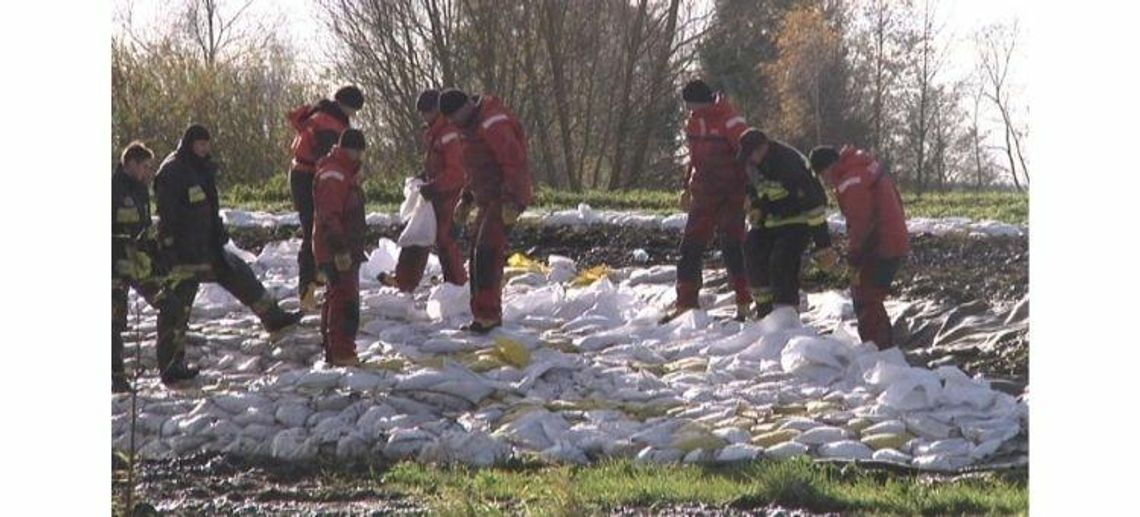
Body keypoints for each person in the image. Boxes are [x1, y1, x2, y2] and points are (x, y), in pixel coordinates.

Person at [154, 124, 302, 386]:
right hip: (183, 254)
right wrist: (170, 248)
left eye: (207, 144)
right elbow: (168, 216)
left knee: (241, 275)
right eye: (201, 144)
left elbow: (209, 207)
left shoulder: (202, 168)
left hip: (208, 247)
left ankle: (274, 319)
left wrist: (218, 233)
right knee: (176, 310)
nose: (205, 149)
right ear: (190, 144)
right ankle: (171, 365)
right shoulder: (172, 171)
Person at [438, 88, 532, 333]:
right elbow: (476, 166)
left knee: (488, 251)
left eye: (455, 117)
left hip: (504, 196)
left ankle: (489, 316)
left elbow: (514, 162)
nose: (454, 123)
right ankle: (481, 314)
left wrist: (513, 201)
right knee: (477, 253)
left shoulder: (492, 123)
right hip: (487, 197)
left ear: (467, 106)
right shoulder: (467, 129)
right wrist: (467, 197)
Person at [662, 79, 752, 323]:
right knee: (690, 247)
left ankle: (744, 302)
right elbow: (693, 158)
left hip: (731, 193)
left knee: (732, 246)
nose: (691, 111)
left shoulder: (731, 121)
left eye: (693, 106)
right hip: (703, 193)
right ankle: (686, 303)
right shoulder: (693, 122)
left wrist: (750, 194)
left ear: (703, 102)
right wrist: (686, 187)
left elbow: (749, 156)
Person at [808, 145, 909, 349]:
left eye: (821, 176)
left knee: (865, 297)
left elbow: (861, 223)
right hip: (891, 237)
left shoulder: (851, 181)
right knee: (869, 295)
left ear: (826, 169)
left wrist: (853, 259)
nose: (824, 183)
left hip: (882, 244)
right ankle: (882, 345)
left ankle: (879, 350)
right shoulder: (863, 168)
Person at [737, 129, 836, 320]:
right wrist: (757, 207)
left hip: (798, 220)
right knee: (752, 249)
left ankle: (786, 316)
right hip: (772, 220)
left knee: (781, 260)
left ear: (763, 147)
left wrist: (823, 246)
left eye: (752, 154)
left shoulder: (787, 163)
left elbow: (813, 206)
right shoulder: (752, 165)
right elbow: (755, 190)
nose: (750, 159)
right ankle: (765, 314)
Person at [379, 89, 469, 292]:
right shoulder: (434, 132)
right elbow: (437, 164)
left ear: (436, 110)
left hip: (448, 195)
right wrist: (423, 177)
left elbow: (456, 172)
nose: (424, 117)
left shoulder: (447, 134)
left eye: (426, 112)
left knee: (445, 240)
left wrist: (433, 186)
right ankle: (406, 280)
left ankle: (457, 285)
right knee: (417, 234)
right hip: (436, 192)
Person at [286, 85, 365, 309]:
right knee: (315, 228)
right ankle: (308, 288)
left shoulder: (324, 115)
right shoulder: (328, 124)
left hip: (303, 174)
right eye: (353, 109)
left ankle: (316, 280)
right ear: (345, 105)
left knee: (317, 227)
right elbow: (327, 158)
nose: (354, 115)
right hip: (308, 177)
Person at [313, 129, 369, 366]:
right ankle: (342, 352)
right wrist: (340, 249)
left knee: (336, 295)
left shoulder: (344, 172)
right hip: (337, 249)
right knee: (344, 301)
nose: (359, 157)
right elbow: (330, 216)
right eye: (357, 151)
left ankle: (334, 350)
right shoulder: (335, 175)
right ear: (349, 149)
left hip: (344, 247)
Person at [112, 141, 162, 393]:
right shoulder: (113, 189)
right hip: (114, 267)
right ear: (129, 163)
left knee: (167, 302)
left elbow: (146, 228)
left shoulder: (142, 191)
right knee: (113, 322)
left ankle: (171, 364)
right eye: (144, 166)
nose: (147, 172)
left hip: (139, 264)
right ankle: (117, 377)